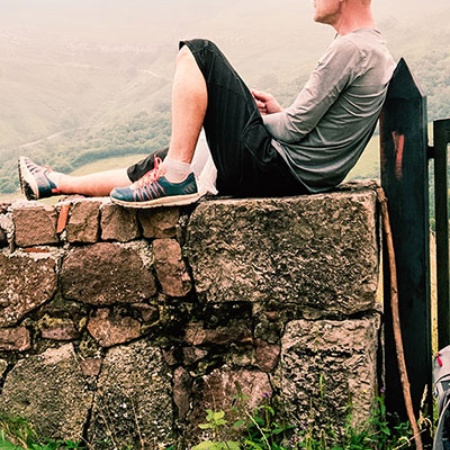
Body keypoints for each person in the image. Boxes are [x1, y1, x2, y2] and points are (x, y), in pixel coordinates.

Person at [18, 0, 395, 209]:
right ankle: (55, 183)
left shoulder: (351, 48)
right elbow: (309, 127)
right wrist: (270, 115)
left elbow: (295, 129)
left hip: (276, 169)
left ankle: (175, 179)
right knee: (169, 154)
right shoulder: (374, 50)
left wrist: (235, 117)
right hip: (296, 173)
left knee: (199, 52)